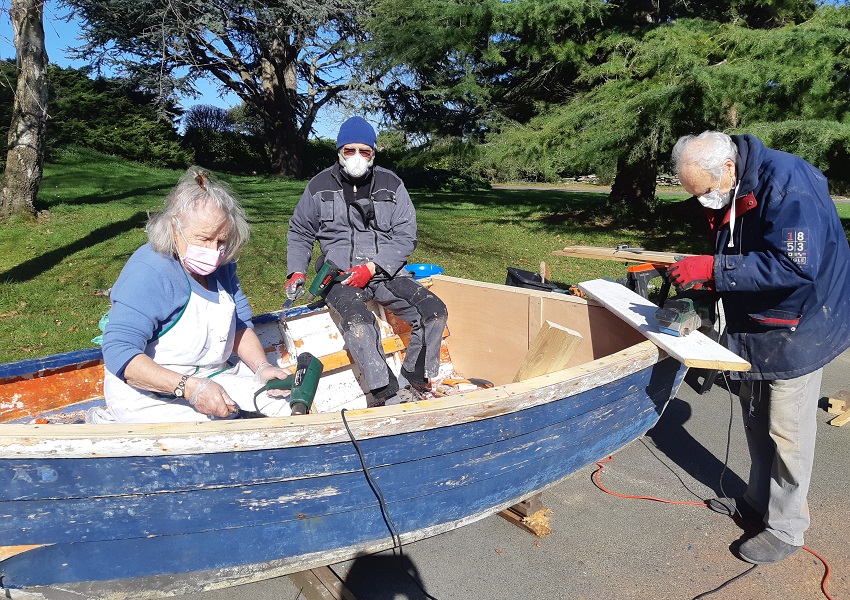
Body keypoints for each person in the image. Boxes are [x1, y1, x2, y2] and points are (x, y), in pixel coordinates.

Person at [668, 131, 850, 564]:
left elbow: (794, 266)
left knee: (788, 429)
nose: (703, 201)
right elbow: (736, 245)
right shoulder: (731, 183)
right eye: (695, 194)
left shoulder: (792, 185)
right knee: (754, 414)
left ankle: (787, 527)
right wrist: (707, 287)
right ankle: (757, 499)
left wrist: (714, 270)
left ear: (728, 167)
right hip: (756, 316)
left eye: (706, 192)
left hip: (801, 320)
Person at [94, 167, 294, 423]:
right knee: (223, 430)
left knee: (283, 405)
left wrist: (262, 367)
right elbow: (120, 352)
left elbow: (240, 326)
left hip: (212, 378)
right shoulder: (149, 270)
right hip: (147, 397)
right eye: (204, 239)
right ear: (174, 228)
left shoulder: (223, 266)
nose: (214, 251)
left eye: (221, 241)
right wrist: (189, 388)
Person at [285, 116, 448, 406]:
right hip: (341, 276)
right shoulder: (318, 185)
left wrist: (373, 267)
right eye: (350, 151)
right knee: (359, 325)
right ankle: (384, 394)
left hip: (386, 272)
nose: (357, 157)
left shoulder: (392, 184)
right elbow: (300, 231)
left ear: (373, 154)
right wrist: (297, 271)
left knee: (434, 312)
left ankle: (415, 376)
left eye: (365, 151)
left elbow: (406, 235)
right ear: (339, 152)